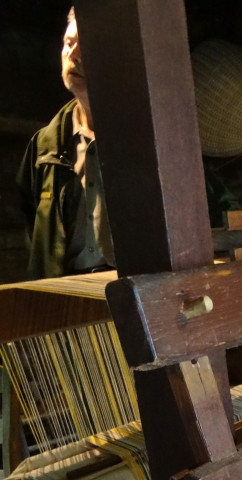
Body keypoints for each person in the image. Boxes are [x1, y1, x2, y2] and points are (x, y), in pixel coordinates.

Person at [16, 8, 114, 280]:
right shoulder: (45, 145)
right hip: (68, 292)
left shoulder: (144, 138)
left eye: (87, 46)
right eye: (69, 43)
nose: (73, 56)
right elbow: (32, 227)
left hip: (132, 291)